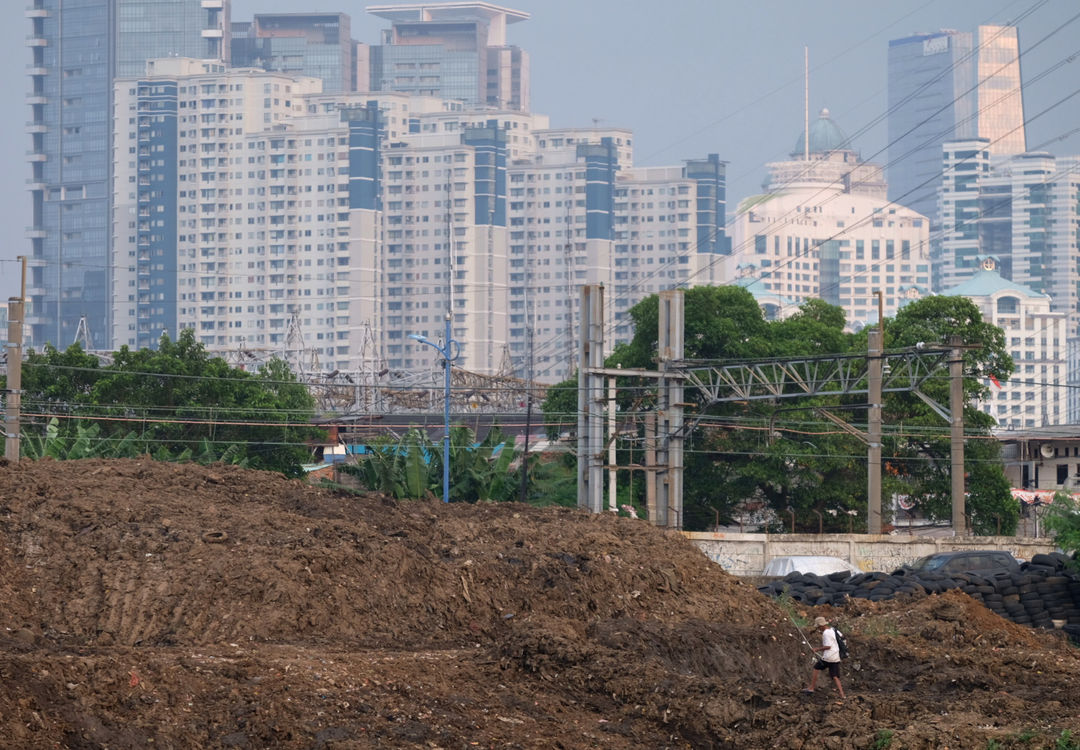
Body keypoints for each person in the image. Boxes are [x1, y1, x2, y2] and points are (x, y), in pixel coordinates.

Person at [803, 616, 846, 701]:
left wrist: (817, 649)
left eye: (818, 627)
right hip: (836, 656)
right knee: (835, 676)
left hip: (828, 657)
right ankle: (842, 694)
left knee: (816, 668)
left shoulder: (826, 633)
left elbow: (828, 646)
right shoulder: (832, 630)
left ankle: (811, 688)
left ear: (821, 626)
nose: (819, 629)